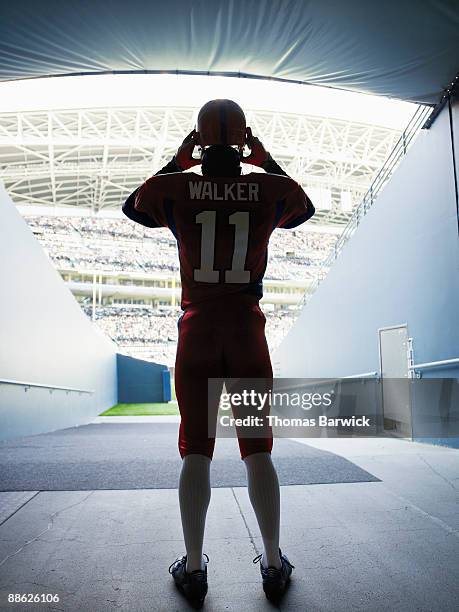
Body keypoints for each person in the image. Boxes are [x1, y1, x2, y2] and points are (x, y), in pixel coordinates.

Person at [122, 99, 315, 607]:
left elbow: (132, 207)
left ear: (199, 140)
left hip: (198, 329)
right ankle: (273, 565)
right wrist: (263, 158)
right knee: (257, 451)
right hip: (247, 331)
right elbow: (305, 209)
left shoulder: (177, 188)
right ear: (245, 137)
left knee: (197, 450)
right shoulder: (270, 189)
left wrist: (180, 161)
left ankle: (193, 567)